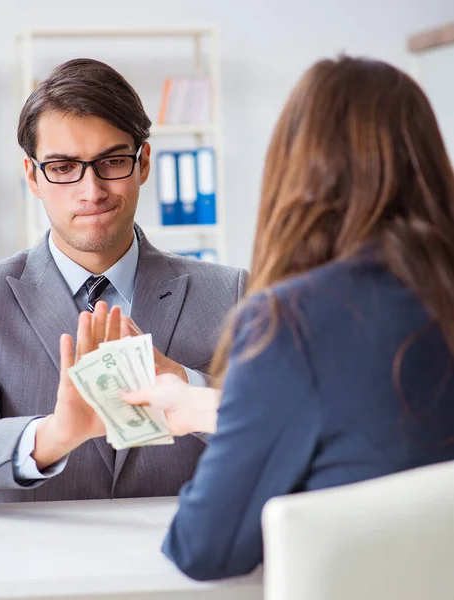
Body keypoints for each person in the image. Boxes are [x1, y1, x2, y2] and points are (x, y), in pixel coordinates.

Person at [121, 55, 454, 580]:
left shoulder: (294, 320)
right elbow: (370, 422)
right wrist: (203, 405)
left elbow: (203, 546)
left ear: (299, 171)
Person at [0, 58, 247, 505]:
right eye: (62, 167)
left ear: (144, 163)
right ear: (33, 177)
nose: (91, 190)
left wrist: (187, 388)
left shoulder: (230, 294)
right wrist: (53, 435)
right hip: (28, 569)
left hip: (182, 567)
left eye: (112, 161)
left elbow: (287, 435)